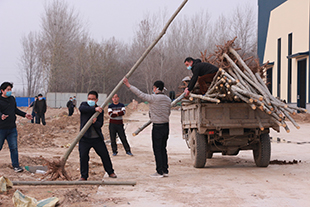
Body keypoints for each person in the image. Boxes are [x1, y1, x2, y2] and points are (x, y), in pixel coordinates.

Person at [123, 77, 171, 178]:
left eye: (153, 88)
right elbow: (169, 112)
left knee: (157, 149)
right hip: (166, 126)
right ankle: (165, 170)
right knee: (163, 148)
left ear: (156, 88)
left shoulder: (153, 98)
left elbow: (140, 94)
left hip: (157, 126)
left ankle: (159, 171)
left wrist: (128, 85)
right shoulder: (168, 99)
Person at [78, 90, 117, 180]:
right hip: (84, 137)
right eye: (89, 98)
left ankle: (110, 172)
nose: (90, 100)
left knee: (104, 155)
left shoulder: (100, 110)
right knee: (83, 157)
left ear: (96, 100)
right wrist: (94, 109)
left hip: (96, 138)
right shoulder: (84, 105)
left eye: (93, 99)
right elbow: (82, 109)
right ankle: (84, 176)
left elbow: (100, 124)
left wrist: (95, 122)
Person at [0, 82, 32, 172]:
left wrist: (25, 114)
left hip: (11, 128)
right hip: (1, 128)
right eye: (8, 90)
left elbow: (15, 110)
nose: (10, 91)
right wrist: (1, 116)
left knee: (13, 148)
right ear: (2, 90)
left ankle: (16, 166)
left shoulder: (12, 99)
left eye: (10, 89)